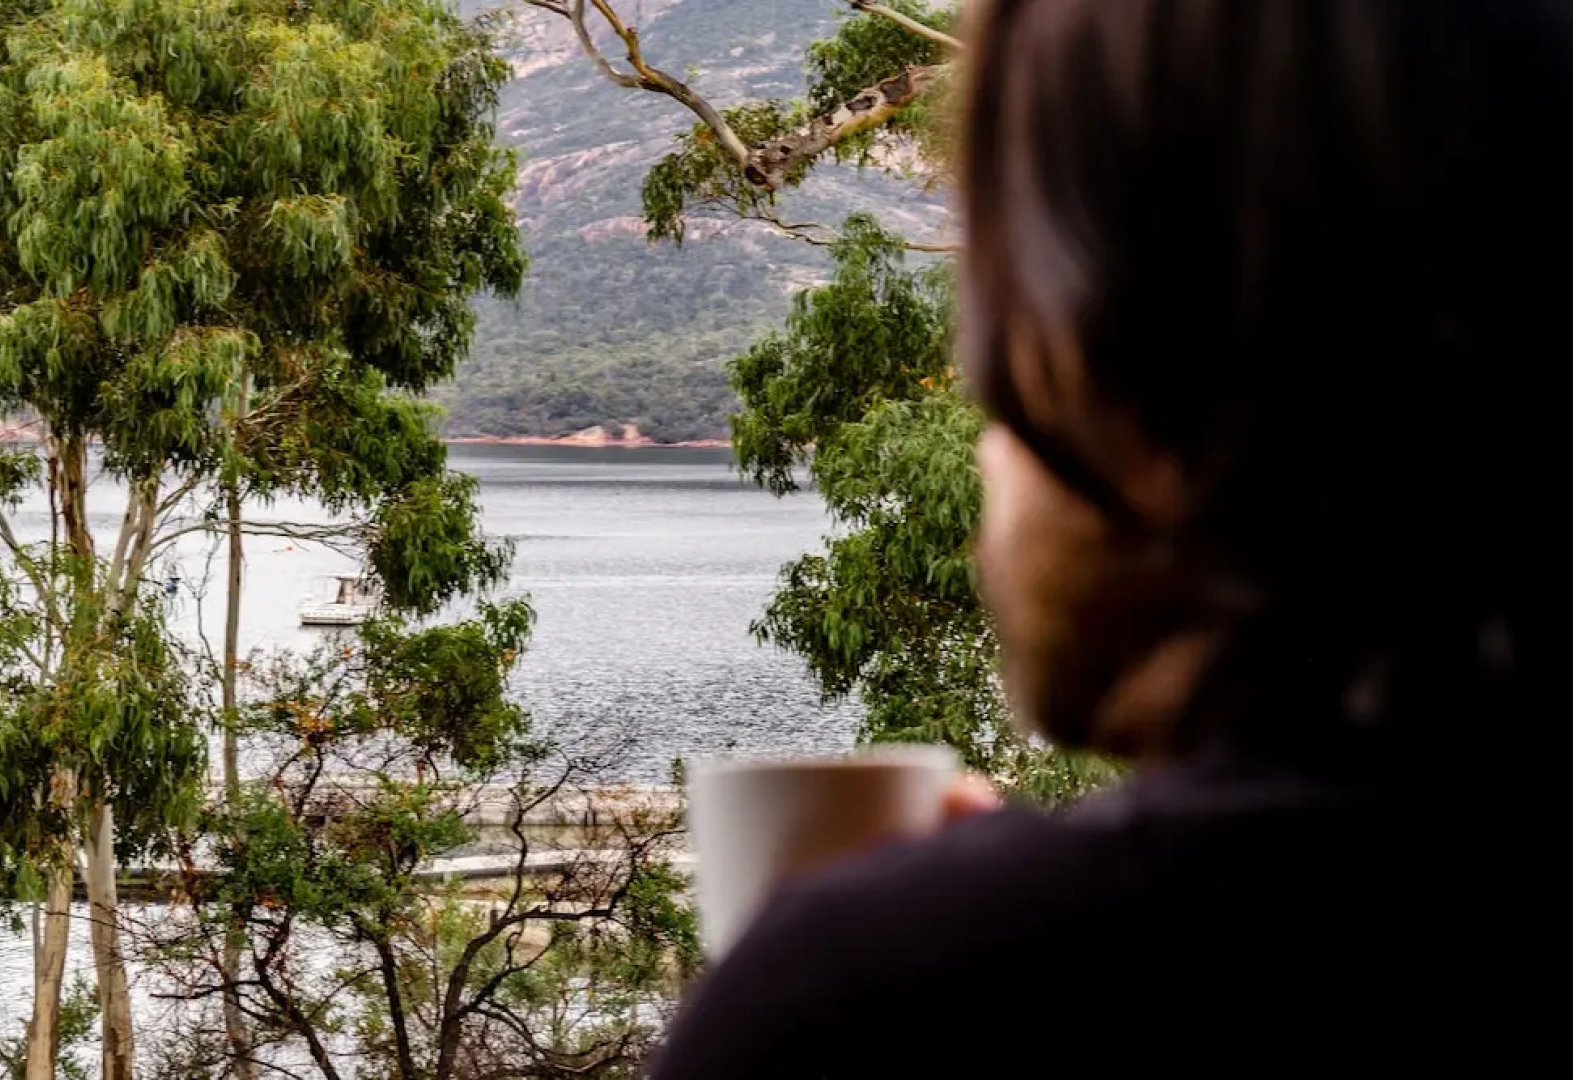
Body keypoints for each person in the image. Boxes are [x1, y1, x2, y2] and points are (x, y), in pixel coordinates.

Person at [649, 1, 1556, 1074]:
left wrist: (940, 944)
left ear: (1146, 376)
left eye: (1001, 347)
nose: (987, 449)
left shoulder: (871, 1007)